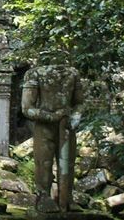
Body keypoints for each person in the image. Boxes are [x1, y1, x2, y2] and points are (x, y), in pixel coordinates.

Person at [21, 63, 83, 212]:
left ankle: (66, 197)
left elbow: (79, 103)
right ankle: (43, 197)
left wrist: (75, 117)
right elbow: (27, 108)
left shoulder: (73, 73)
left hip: (66, 126)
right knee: (44, 162)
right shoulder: (34, 74)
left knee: (68, 163)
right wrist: (51, 116)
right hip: (45, 126)